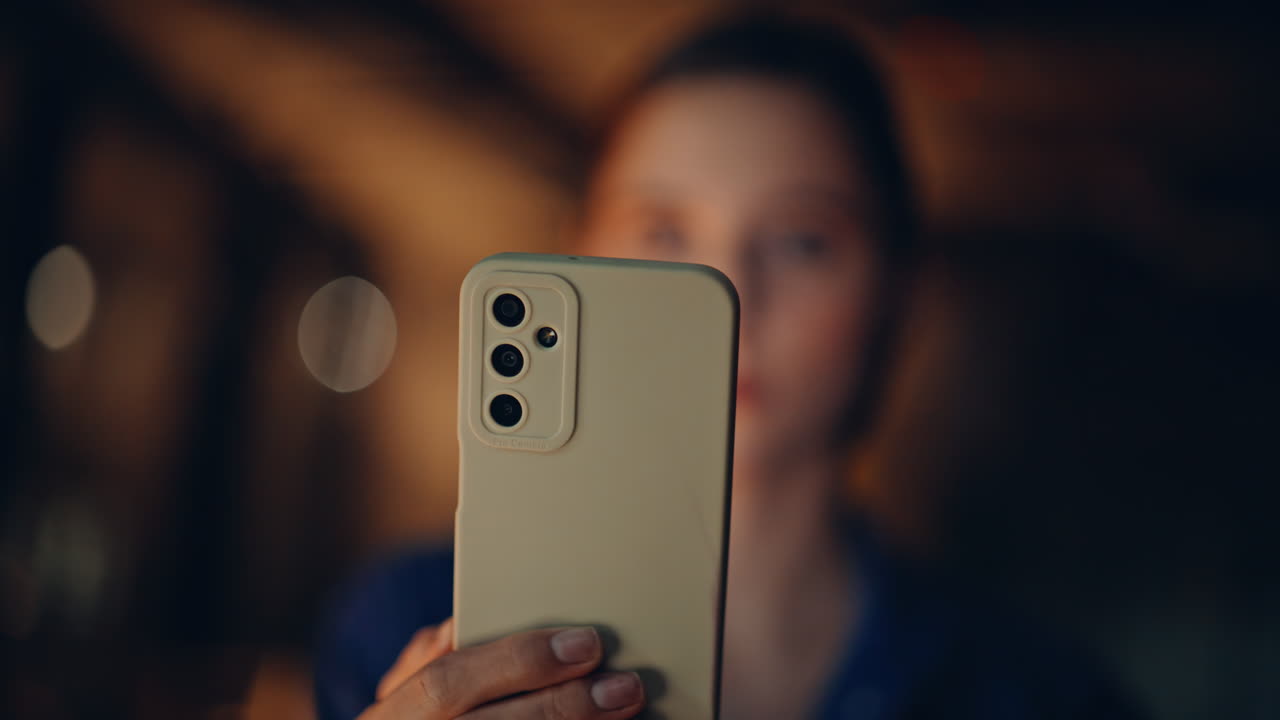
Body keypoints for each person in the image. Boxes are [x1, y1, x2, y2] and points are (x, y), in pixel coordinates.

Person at [314, 13, 1142, 720]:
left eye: (802, 239)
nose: (732, 295)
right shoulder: (407, 624)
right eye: (664, 233)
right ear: (582, 256)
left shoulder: (1040, 691)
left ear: (896, 292)